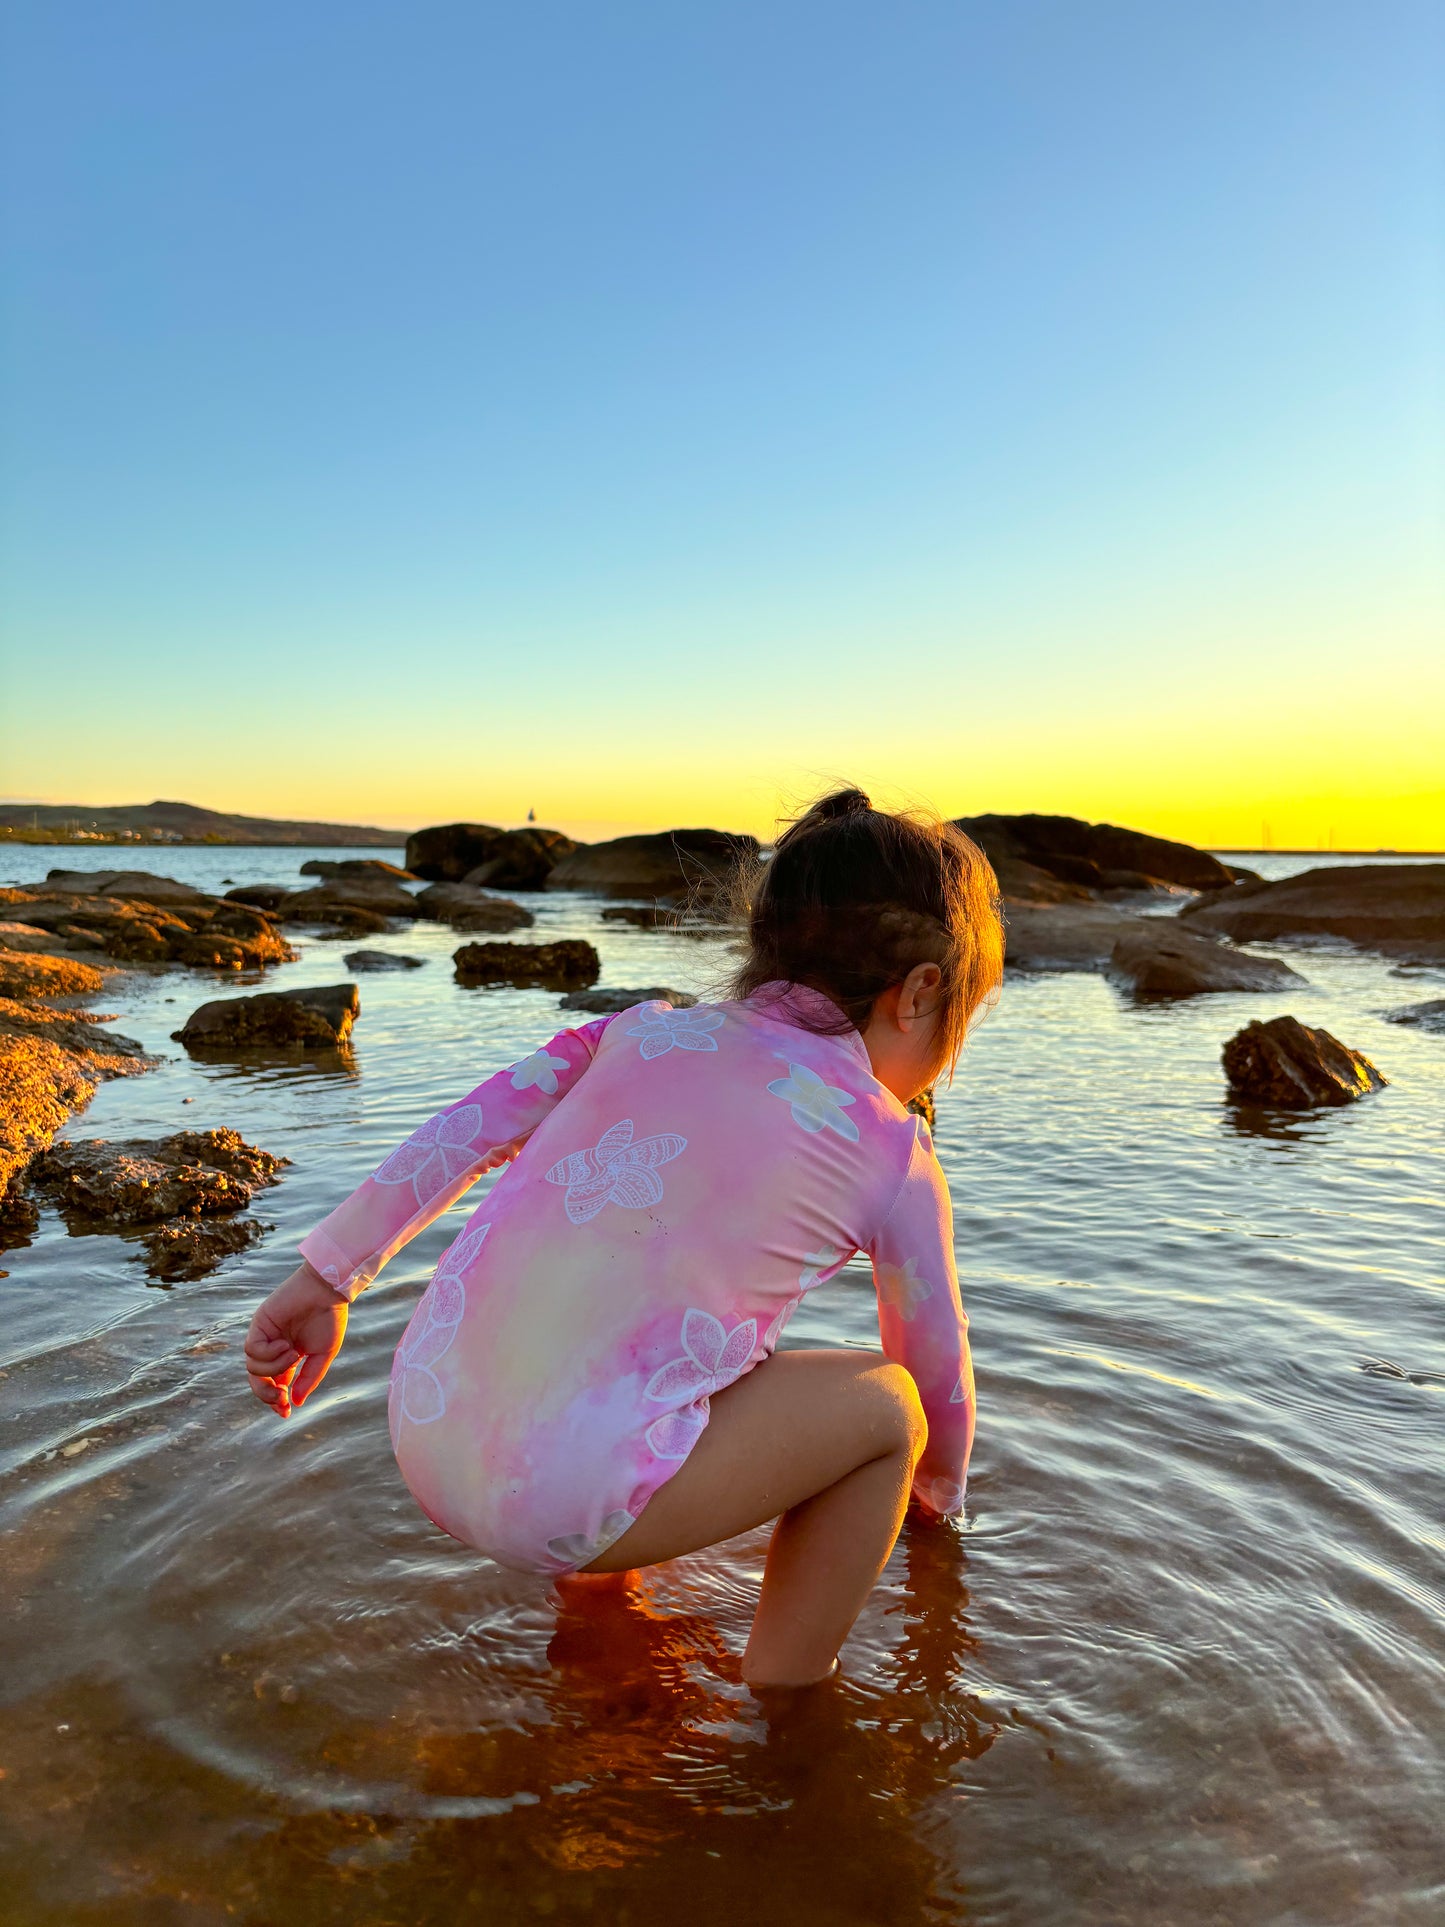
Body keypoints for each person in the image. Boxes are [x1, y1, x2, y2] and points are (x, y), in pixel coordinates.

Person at [244, 789, 1004, 1687]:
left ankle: (602, 1614)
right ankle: (788, 1700)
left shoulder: (633, 1032)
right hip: (564, 1491)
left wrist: (326, 1280)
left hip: (426, 1429)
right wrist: (936, 1498)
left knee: (634, 1338)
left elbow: (456, 1134)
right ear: (918, 991)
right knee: (886, 1409)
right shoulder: (889, 1144)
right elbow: (934, 1358)